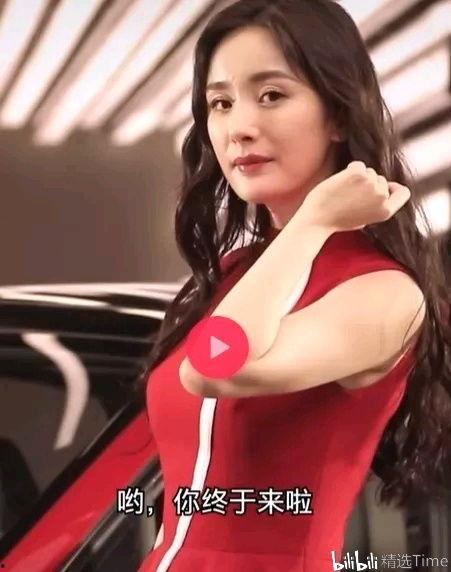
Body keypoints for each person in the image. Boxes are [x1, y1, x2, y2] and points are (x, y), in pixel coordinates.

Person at [138, 1, 451, 570]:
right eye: (220, 103)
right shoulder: (235, 272)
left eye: (271, 95)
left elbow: (216, 366)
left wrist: (314, 221)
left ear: (339, 114)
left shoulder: (383, 292)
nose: (239, 127)